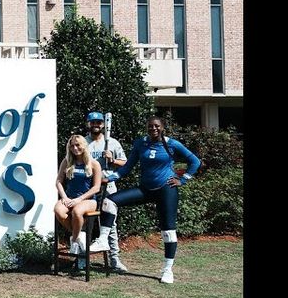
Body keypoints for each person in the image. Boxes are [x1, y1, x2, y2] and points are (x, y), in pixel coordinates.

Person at [107, 115, 201, 284]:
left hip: (166, 190)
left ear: (162, 127)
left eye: (157, 126)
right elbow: (127, 167)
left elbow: (195, 161)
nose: (153, 129)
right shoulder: (140, 143)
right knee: (110, 201)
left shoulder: (172, 144)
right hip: (145, 189)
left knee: (168, 231)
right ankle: (102, 240)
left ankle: (167, 270)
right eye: (150, 126)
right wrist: (110, 178)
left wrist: (183, 179)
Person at [85, 111, 129, 272]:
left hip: (108, 187)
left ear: (103, 125)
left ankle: (114, 260)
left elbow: (125, 163)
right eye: (92, 122)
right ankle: (83, 258)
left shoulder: (113, 143)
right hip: (88, 187)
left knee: (110, 224)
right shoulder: (83, 142)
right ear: (88, 124)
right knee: (85, 222)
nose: (96, 125)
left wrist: (112, 159)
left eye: (98, 122)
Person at [54, 134, 104, 271]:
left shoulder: (94, 163)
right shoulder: (67, 161)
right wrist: (64, 197)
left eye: (77, 145)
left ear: (84, 146)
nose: (75, 148)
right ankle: (79, 237)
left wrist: (79, 199)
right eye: (72, 146)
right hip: (69, 198)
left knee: (77, 212)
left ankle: (75, 239)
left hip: (87, 200)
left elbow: (96, 187)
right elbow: (58, 181)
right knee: (58, 210)